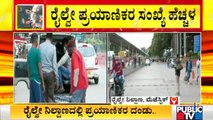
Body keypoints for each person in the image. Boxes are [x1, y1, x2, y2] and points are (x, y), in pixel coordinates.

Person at [66, 38, 88, 103]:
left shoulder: (74, 55)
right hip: (84, 83)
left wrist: (74, 86)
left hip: (79, 85)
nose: (67, 53)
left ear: (70, 48)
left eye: (67, 50)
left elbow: (76, 71)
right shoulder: (78, 53)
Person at [39, 33, 59, 103]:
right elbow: (54, 64)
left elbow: (39, 62)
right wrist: (57, 78)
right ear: (51, 38)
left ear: (46, 37)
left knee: (43, 94)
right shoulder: (53, 47)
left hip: (42, 74)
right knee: (50, 95)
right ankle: (50, 109)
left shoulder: (40, 46)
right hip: (50, 74)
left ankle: (44, 109)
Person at [27, 33, 45, 103]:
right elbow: (40, 68)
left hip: (31, 80)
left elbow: (28, 68)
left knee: (32, 101)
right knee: (39, 101)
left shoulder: (29, 52)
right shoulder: (37, 51)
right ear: (37, 40)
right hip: (37, 80)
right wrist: (43, 83)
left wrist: (29, 80)